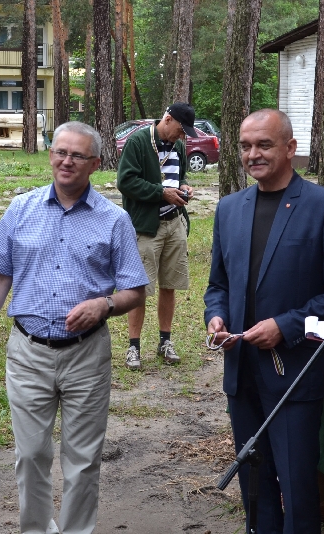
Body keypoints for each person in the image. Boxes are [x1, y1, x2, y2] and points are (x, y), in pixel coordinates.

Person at [0, 121, 148, 534]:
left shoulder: (114, 220)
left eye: (78, 155)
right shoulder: (21, 209)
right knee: (30, 455)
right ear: (50, 156)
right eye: (60, 152)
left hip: (86, 354)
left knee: (83, 460)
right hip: (28, 352)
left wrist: (104, 304)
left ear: (95, 163)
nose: (67, 161)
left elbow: (136, 291)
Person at [204, 109, 324, 533]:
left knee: (297, 489)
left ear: (290, 148)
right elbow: (218, 284)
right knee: (253, 487)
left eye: (264, 145)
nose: (253, 154)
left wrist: (287, 326)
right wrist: (216, 317)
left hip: (296, 373)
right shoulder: (229, 209)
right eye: (245, 146)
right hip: (241, 373)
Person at [116, 102, 197, 370]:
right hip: (146, 226)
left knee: (169, 284)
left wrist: (184, 185)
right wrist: (161, 193)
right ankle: (134, 347)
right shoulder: (138, 142)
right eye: (181, 130)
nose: (182, 136)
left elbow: (179, 175)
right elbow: (126, 182)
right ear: (168, 119)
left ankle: (165, 342)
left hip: (175, 223)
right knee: (140, 289)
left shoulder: (178, 146)